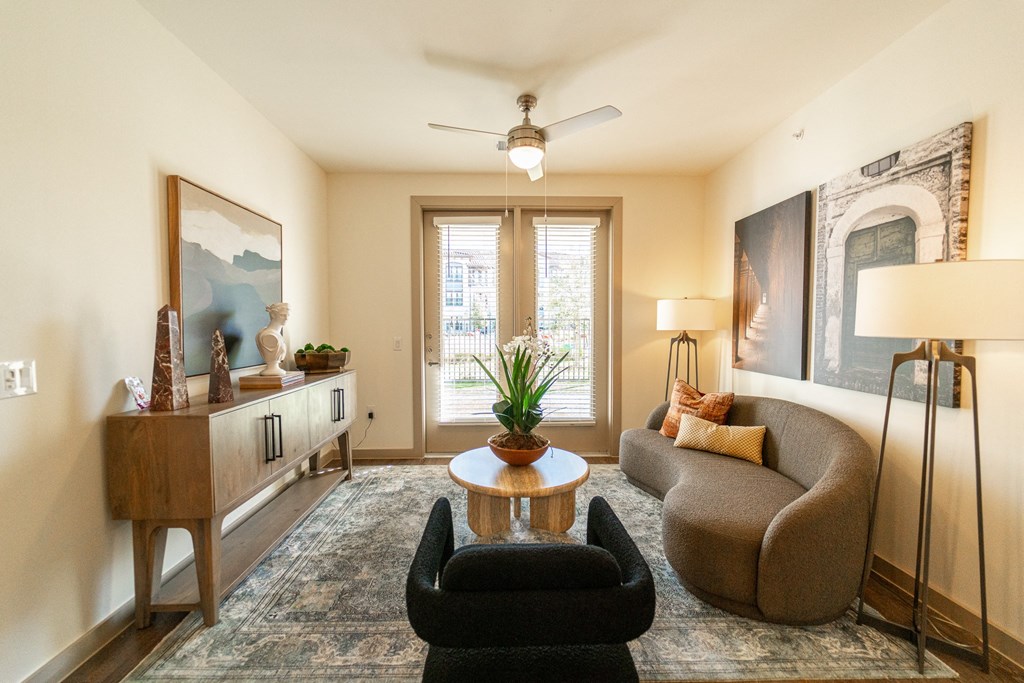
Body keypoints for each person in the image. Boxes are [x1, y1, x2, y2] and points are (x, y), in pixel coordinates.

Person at [256, 302, 289, 376]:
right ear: (273, 315)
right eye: (283, 315)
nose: (286, 318)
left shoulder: (275, 334)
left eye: (287, 315)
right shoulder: (269, 335)